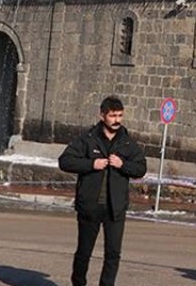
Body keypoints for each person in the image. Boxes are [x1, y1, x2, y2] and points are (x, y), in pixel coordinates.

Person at [58, 96, 147, 286]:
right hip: (90, 206)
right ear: (102, 115)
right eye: (113, 115)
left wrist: (123, 165)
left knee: (113, 253)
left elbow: (141, 168)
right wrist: (91, 164)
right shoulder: (88, 139)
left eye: (120, 115)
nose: (117, 120)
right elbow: (65, 161)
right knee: (84, 252)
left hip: (115, 209)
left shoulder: (127, 143)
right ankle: (78, 283)